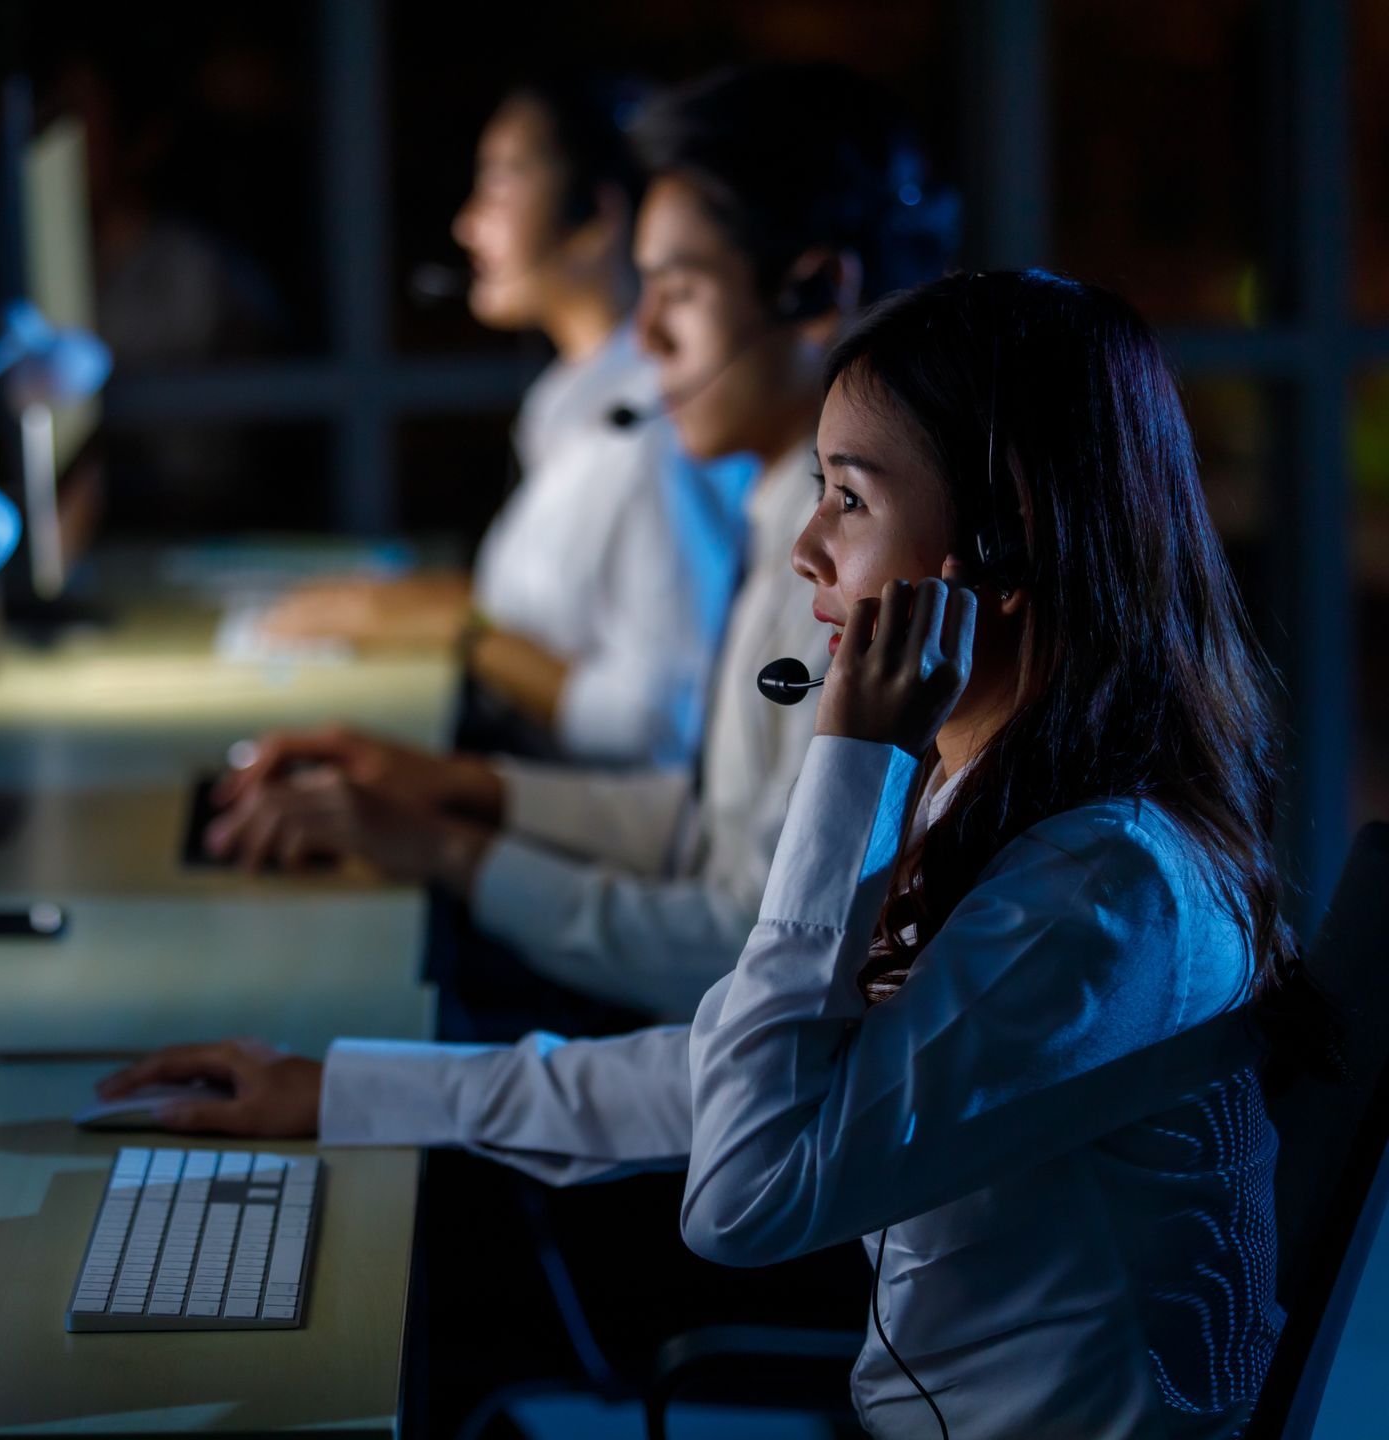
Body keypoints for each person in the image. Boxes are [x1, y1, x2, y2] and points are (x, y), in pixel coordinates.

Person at [106, 270, 1314, 1437]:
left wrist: (853, 758)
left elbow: (745, 1193)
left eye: (848, 497)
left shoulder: (1102, 897)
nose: (806, 550)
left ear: (1001, 541)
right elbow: (735, 1066)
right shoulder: (1002, 800)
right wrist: (347, 1092)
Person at [211, 66, 958, 1026]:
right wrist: (457, 790)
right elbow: (713, 833)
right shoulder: (780, 510)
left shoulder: (851, 576)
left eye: (678, 290)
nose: (644, 340)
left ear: (814, 290)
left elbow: (750, 954)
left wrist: (452, 850)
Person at [260, 76, 705, 766]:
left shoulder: (653, 435)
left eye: (500, 185)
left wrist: (454, 628)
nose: (468, 225)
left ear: (594, 215)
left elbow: (653, 724)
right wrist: (403, 608)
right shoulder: (574, 407)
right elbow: (543, 618)